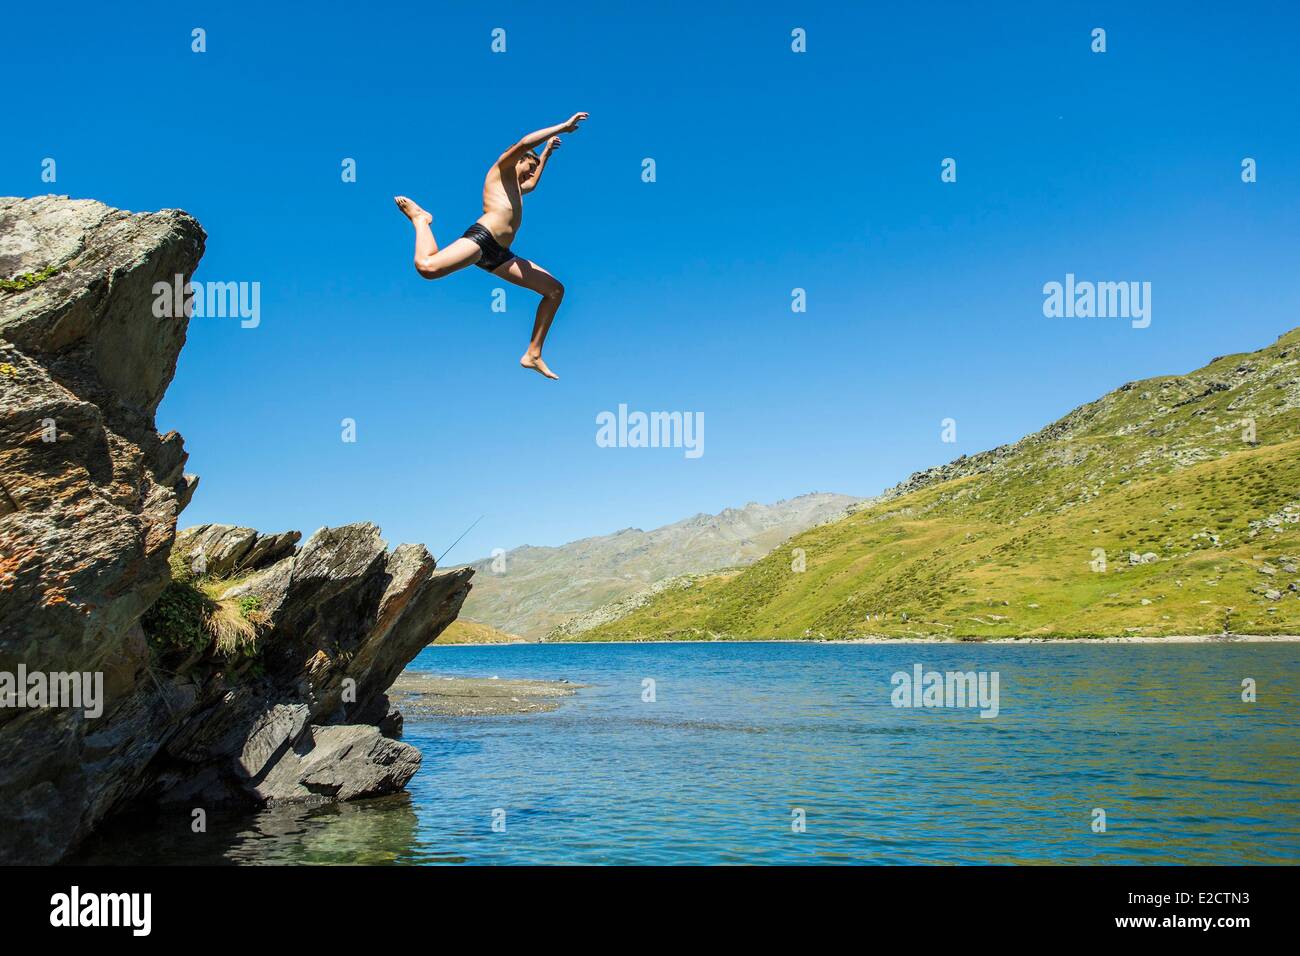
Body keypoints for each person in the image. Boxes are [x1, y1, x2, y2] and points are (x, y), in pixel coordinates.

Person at [395, 112, 589, 380]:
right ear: (516, 161)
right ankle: (421, 219)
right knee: (427, 267)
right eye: (528, 167)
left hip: (501, 257)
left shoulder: (517, 188)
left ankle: (533, 353)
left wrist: (545, 156)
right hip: (482, 239)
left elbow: (532, 184)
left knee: (555, 290)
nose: (531, 174)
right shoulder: (501, 170)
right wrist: (564, 127)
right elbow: (522, 144)